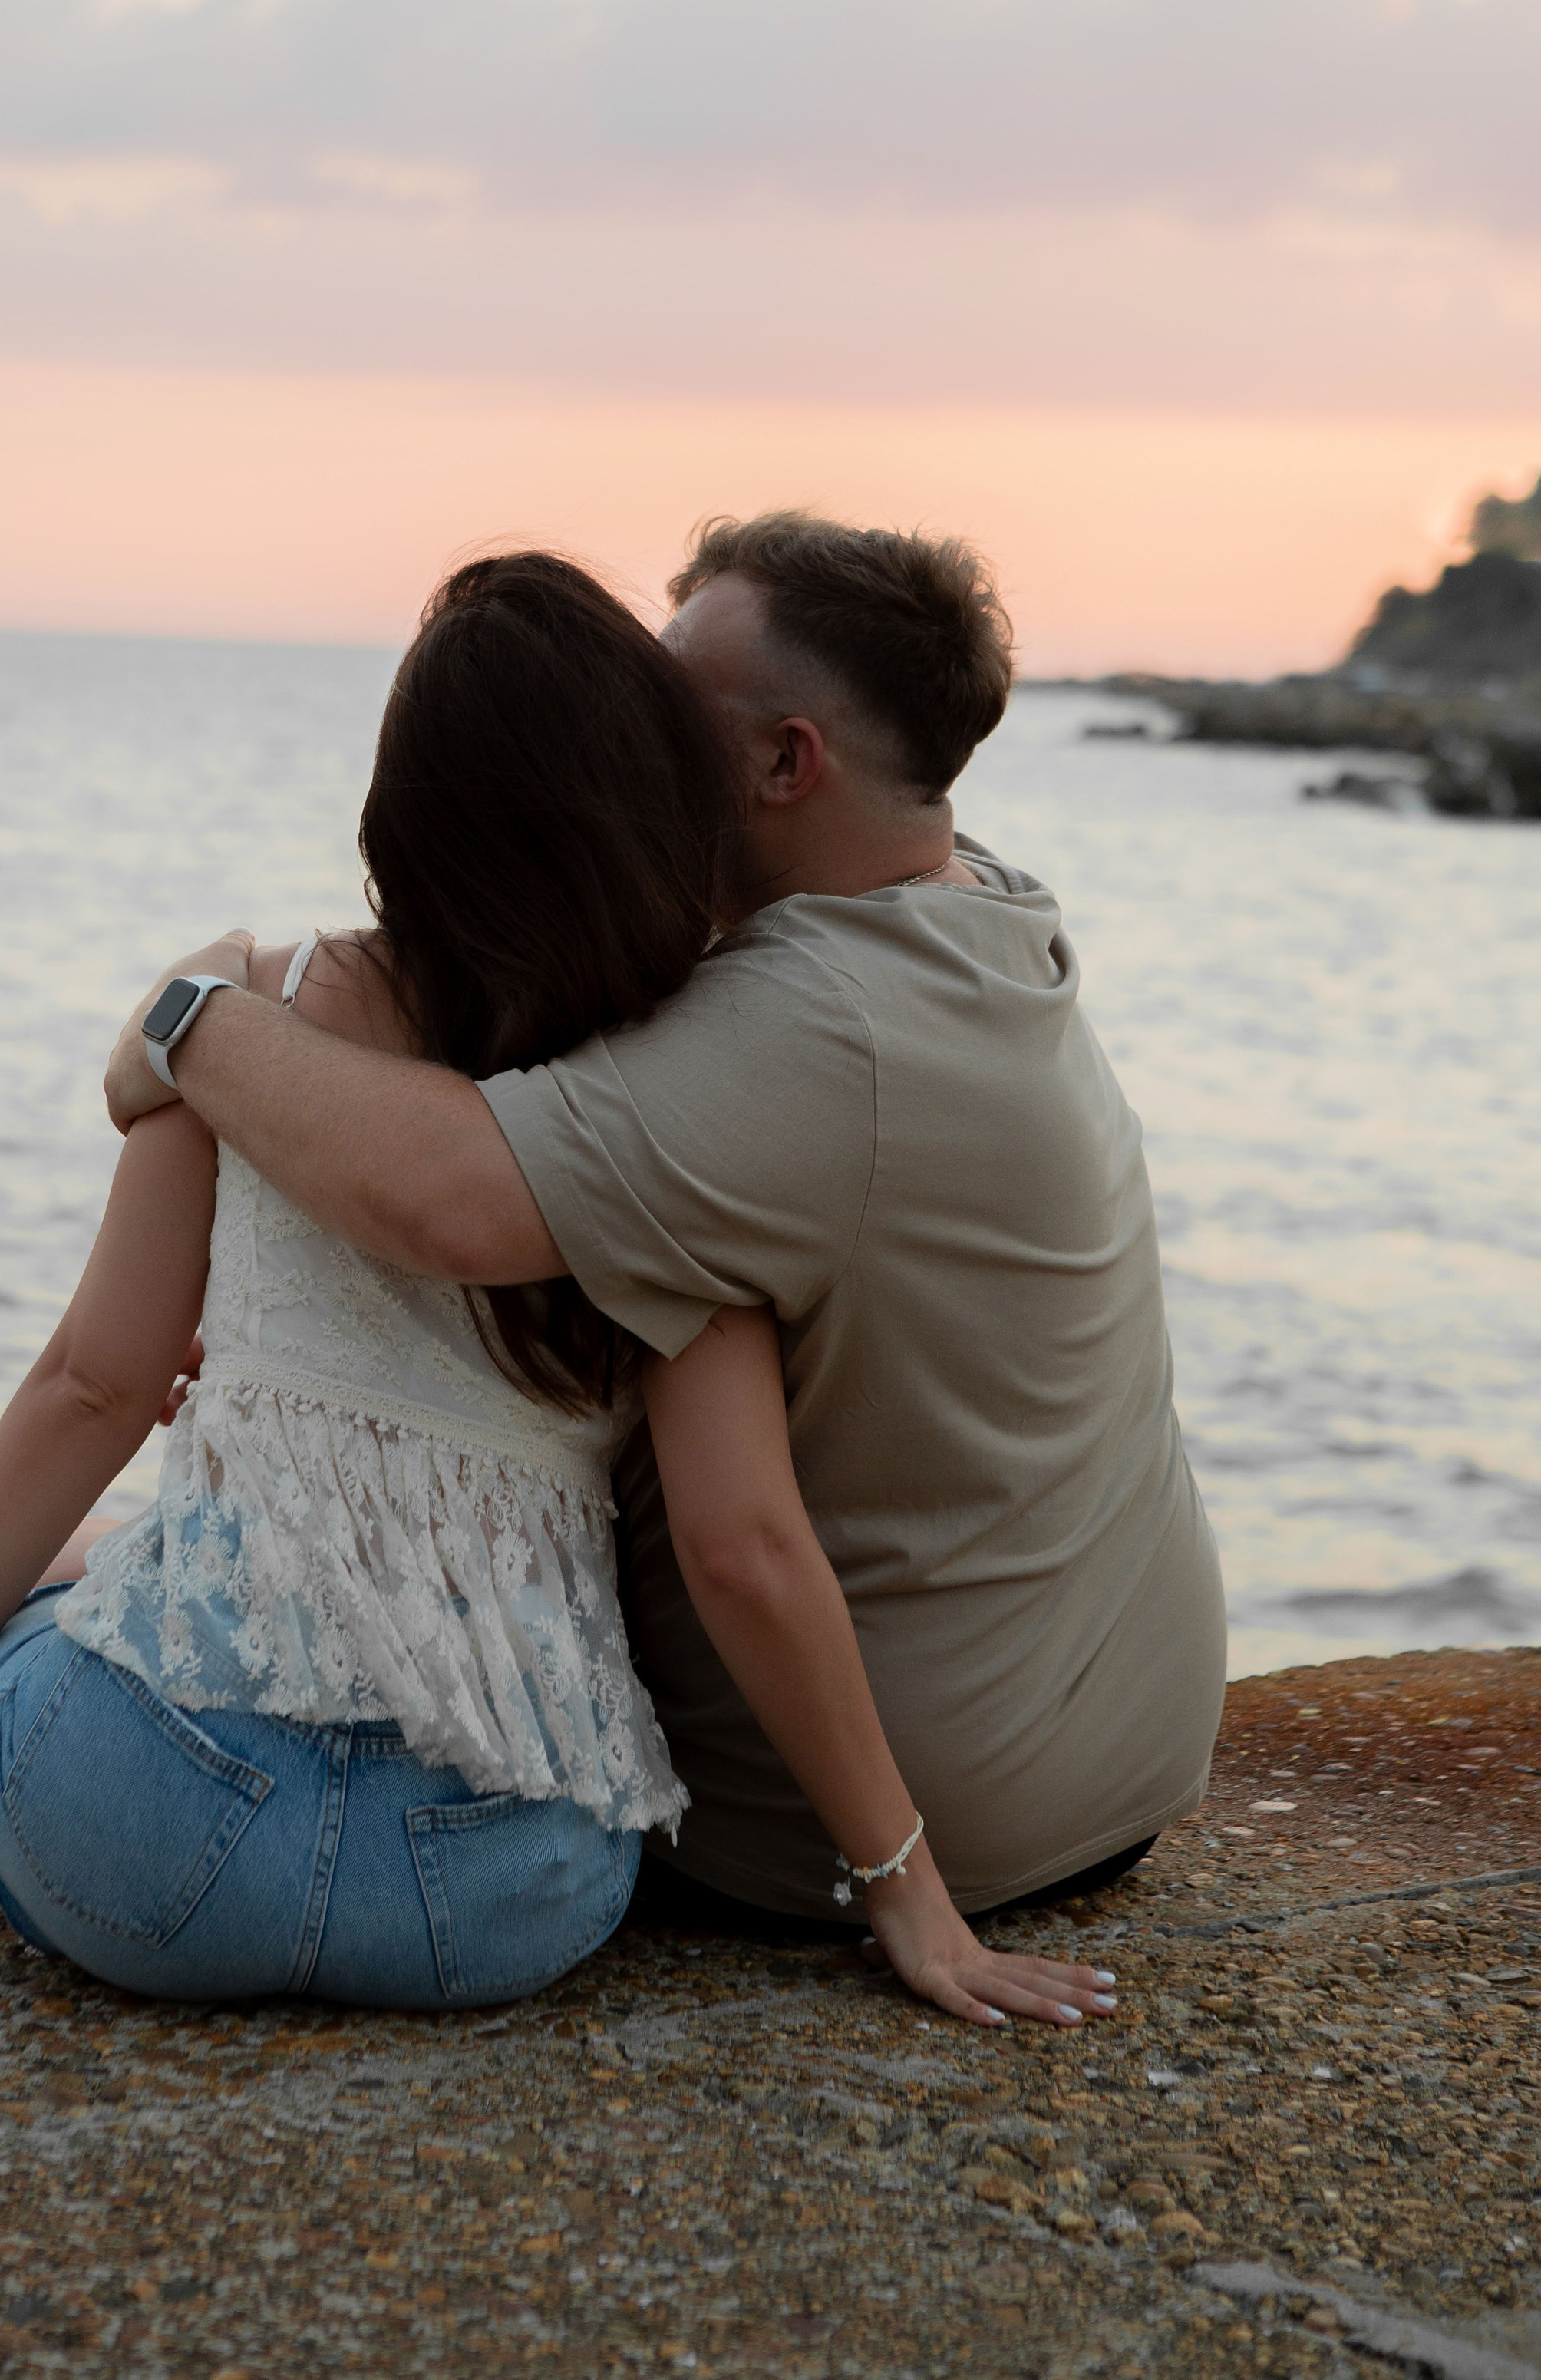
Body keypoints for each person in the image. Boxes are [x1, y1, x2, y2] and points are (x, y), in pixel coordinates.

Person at [0, 551, 1114, 2028]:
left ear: (401, 809)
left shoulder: (254, 1024)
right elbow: (745, 1545)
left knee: (64, 1592)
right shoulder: (676, 1121)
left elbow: (96, 1387)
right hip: (504, 1897)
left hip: (153, 1835)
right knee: (121, 1564)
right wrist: (905, 1885)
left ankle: (41, 1815)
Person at [101, 511, 1226, 1943]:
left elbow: (449, 1198)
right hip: (1119, 1749)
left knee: (141, 1565)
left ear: (783, 761)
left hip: (884, 1824)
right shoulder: (974, 903)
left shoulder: (810, 1027)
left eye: (661, 708)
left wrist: (197, 1016)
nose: (621, 733)